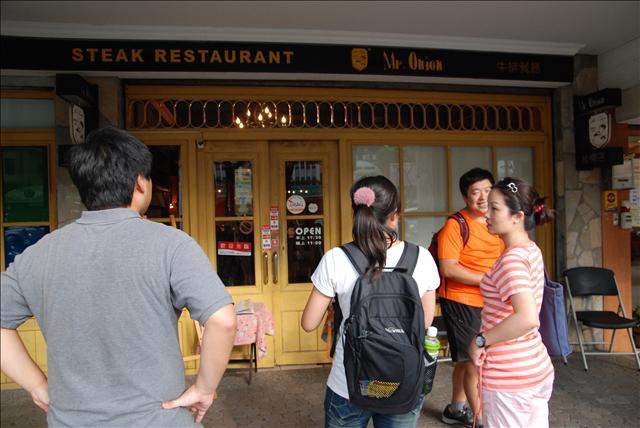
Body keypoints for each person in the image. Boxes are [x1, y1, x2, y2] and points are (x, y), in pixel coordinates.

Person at [1, 127, 237, 426]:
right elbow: (223, 321)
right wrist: (204, 389)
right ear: (140, 183)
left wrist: (37, 385)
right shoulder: (171, 244)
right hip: (159, 420)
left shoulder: (38, 254)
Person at [301, 175, 440, 428]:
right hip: (403, 381)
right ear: (394, 215)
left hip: (349, 384)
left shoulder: (336, 258)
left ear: (356, 213)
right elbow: (424, 323)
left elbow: (309, 323)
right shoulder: (421, 258)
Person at [468, 177, 555, 427]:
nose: (487, 214)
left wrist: (481, 340)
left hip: (509, 377)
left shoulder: (512, 260)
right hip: (533, 366)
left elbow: (527, 318)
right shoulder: (530, 249)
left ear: (517, 217)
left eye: (495, 208)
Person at [437, 168, 504, 428]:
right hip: (461, 301)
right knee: (474, 363)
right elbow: (449, 268)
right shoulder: (456, 225)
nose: (483, 197)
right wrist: (489, 280)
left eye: (488, 190)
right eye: (476, 192)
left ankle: (456, 409)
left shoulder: (496, 223)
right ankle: (482, 420)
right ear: (466, 197)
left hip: (490, 302)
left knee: (467, 360)